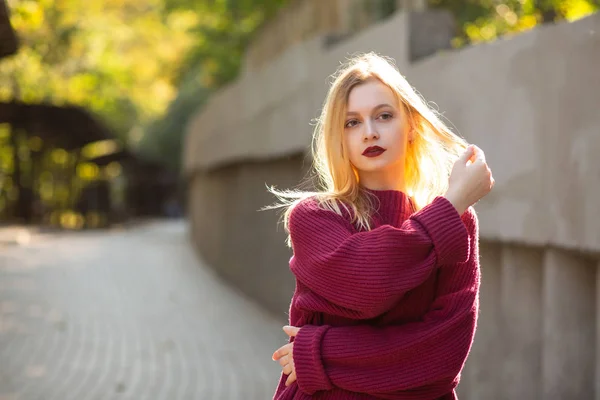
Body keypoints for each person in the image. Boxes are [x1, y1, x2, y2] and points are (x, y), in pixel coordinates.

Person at [268, 52, 494, 400]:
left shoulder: (456, 222)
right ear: (338, 137)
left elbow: (441, 356)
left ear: (411, 127)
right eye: (352, 122)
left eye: (384, 116)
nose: (369, 133)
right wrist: (448, 208)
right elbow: (370, 288)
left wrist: (317, 353)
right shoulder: (314, 216)